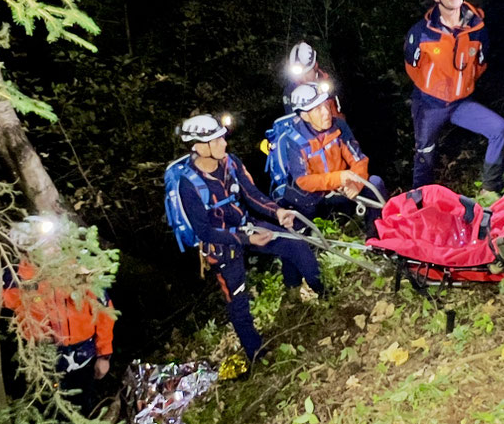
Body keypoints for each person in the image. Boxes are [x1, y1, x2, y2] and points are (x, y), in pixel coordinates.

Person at [164, 113, 322, 361]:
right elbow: (204, 231)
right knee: (237, 300)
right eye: (216, 141)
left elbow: (251, 194)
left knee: (294, 244)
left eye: (222, 138)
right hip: (220, 245)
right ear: (199, 146)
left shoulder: (231, 163)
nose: (224, 144)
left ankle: (322, 293)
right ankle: (256, 352)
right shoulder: (188, 185)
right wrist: (246, 239)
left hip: (246, 226)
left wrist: (278, 211)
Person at [0, 215, 117, 412]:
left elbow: (105, 313)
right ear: (30, 250)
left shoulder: (79, 271)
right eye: (47, 246)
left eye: (55, 243)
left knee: (82, 405)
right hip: (44, 363)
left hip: (83, 358)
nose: (55, 249)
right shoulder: (17, 279)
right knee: (48, 410)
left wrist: (104, 355)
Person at [405, 0, 504, 194]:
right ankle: (418, 203)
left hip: (461, 102)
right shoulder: (421, 32)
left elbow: (481, 63)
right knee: (425, 153)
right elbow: (411, 67)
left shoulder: (477, 27)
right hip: (429, 104)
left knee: (500, 129)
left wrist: (463, 85)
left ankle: (489, 190)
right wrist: (433, 88)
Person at [268, 81, 384, 222]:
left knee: (375, 183)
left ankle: (377, 235)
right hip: (316, 199)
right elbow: (303, 180)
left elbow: (358, 159)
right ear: (305, 115)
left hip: (342, 190)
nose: (326, 112)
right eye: (317, 109)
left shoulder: (338, 126)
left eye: (326, 104)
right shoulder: (294, 140)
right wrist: (338, 178)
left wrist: (356, 184)